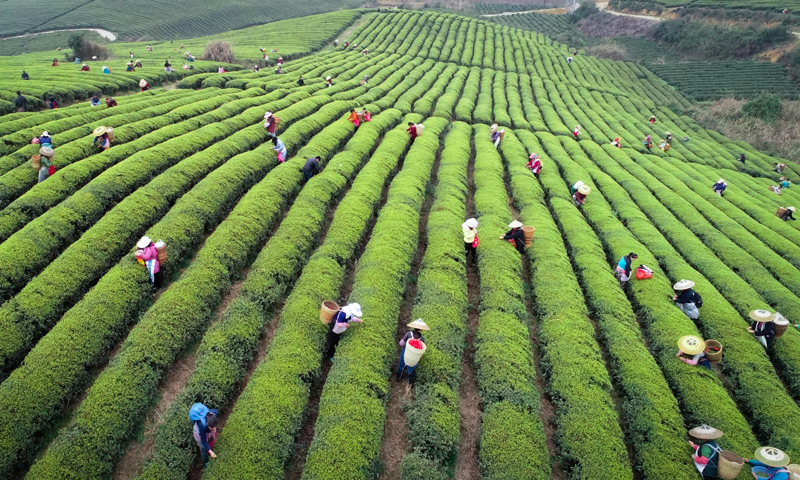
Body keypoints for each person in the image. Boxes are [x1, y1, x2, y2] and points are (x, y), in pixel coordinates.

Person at [190, 404, 219, 469]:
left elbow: (217, 412)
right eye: (211, 428)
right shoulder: (202, 426)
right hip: (198, 432)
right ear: (207, 424)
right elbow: (203, 440)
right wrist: (210, 451)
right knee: (203, 448)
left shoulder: (214, 413)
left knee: (211, 435)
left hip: (205, 427)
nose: (213, 428)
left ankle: (210, 446)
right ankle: (205, 461)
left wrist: (213, 429)